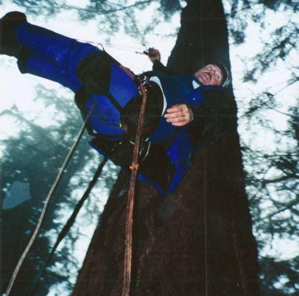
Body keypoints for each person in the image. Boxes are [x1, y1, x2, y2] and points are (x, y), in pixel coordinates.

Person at [0, 12, 231, 193]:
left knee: (84, 57)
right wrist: (157, 63)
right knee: (72, 75)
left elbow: (216, 116)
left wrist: (194, 114)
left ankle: (14, 29)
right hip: (109, 120)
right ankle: (18, 52)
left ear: (216, 89)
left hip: (131, 109)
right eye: (210, 68)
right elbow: (169, 83)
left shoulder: (206, 100)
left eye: (216, 77)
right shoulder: (181, 82)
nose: (210, 73)